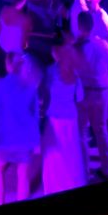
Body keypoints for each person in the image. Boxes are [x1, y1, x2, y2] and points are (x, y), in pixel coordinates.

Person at [0, 52, 40, 205]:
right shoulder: (31, 87)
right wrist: (35, 142)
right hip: (23, 139)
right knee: (23, 177)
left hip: (4, 139)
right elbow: (35, 116)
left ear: (8, 65)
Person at [42, 39, 87, 196]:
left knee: (54, 157)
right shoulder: (75, 76)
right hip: (71, 119)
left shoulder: (50, 72)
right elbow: (80, 99)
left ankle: (54, 187)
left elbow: (45, 93)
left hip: (54, 118)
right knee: (71, 155)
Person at [73, 9, 108, 180]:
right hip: (101, 91)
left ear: (79, 26)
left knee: (82, 131)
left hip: (84, 92)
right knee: (101, 129)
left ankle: (85, 170)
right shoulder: (104, 44)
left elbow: (73, 71)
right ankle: (107, 167)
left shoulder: (76, 47)